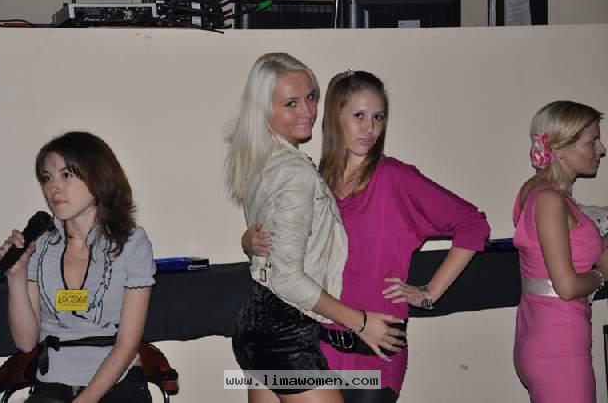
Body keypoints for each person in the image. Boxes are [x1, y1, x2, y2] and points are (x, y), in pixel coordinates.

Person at [244, 70, 490, 402]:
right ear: (336, 118)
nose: (370, 127)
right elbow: (285, 256)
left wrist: (429, 293)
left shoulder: (394, 178)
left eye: (378, 117)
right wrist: (248, 241)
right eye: (359, 115)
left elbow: (473, 224)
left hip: (375, 352)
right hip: (317, 345)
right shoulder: (316, 180)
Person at [225, 54, 405, 403]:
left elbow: (269, 250)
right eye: (291, 103)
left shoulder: (259, 160)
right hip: (284, 334)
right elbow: (287, 278)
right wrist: (361, 322)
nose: (308, 111)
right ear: (264, 109)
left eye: (311, 97)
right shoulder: (294, 172)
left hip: (256, 325)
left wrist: (247, 243)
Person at [0, 131, 155, 403]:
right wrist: (16, 276)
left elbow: (127, 344)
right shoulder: (39, 245)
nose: (53, 188)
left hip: (117, 385)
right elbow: (25, 341)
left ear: (98, 177)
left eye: (66, 175)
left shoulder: (131, 243)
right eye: (47, 178)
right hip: (52, 386)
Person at [512, 101, 608, 403]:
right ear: (561, 149)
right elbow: (566, 286)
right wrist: (602, 274)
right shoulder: (550, 201)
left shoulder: (532, 190)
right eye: (592, 142)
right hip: (560, 343)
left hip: (539, 333)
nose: (602, 149)